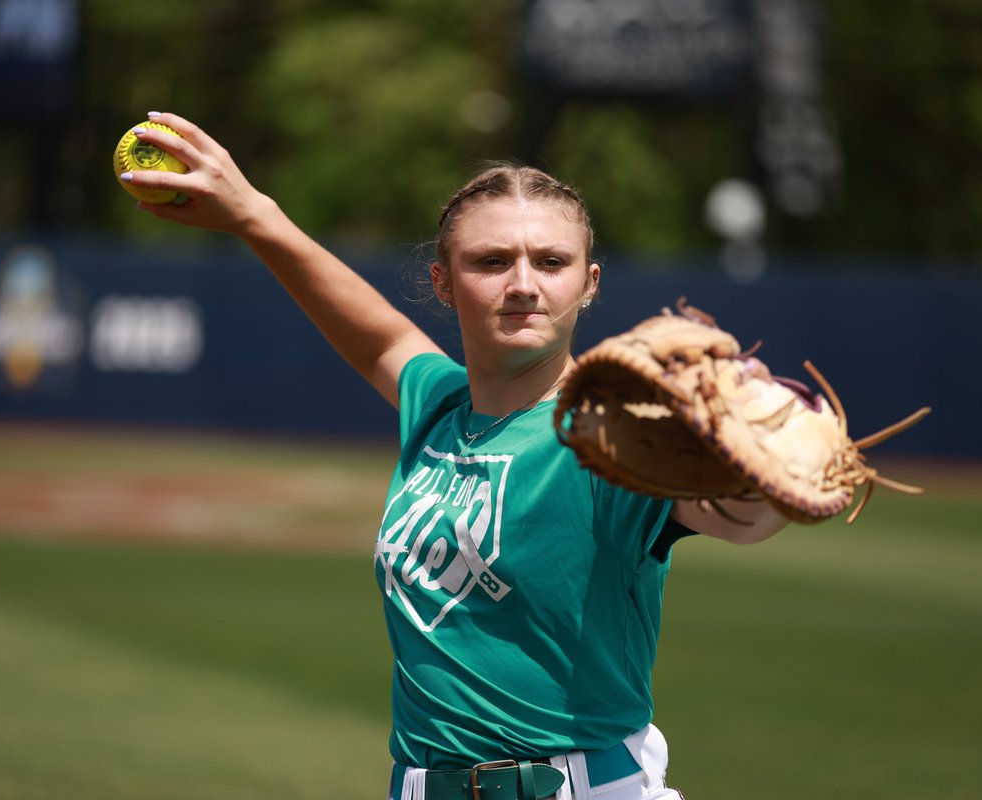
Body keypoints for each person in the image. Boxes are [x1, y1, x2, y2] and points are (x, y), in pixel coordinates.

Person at [121, 111, 789, 800]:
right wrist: (254, 216)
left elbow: (746, 513)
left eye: (551, 262)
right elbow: (380, 338)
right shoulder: (441, 409)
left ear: (590, 283)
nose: (524, 283)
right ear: (443, 282)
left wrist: (757, 464)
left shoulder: (613, 436)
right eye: (492, 261)